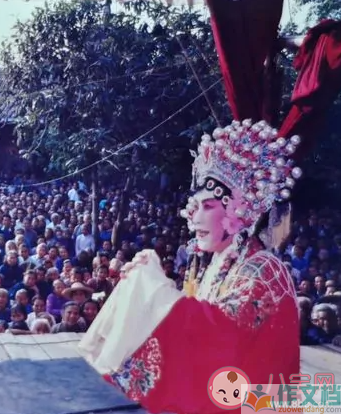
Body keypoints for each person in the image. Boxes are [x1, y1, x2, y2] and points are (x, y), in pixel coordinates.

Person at [80, 119, 301, 413]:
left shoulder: (264, 270)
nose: (195, 218)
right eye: (194, 207)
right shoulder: (221, 262)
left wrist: (153, 286)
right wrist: (155, 282)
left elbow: (222, 336)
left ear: (241, 210)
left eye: (208, 206)